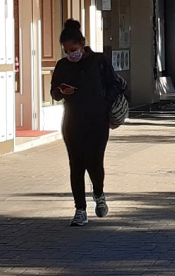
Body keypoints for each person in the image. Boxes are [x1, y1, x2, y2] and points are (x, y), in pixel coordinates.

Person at [51, 20, 122, 227]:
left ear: (83, 44)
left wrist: (104, 103)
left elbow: (115, 85)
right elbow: (54, 92)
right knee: (76, 165)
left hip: (97, 121)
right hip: (72, 121)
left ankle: (99, 194)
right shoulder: (62, 66)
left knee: (94, 162)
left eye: (73, 49)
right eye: (66, 51)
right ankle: (79, 210)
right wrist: (61, 91)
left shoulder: (99, 61)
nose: (70, 54)